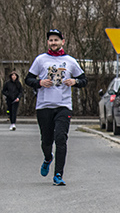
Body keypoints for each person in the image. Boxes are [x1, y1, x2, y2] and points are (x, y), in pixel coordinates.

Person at [24, 29, 87, 186]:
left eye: (56, 40)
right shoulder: (41, 60)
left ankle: (58, 174)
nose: (53, 43)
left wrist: (75, 82)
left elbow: (83, 79)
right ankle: (47, 158)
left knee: (61, 138)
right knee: (46, 140)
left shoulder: (71, 61)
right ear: (48, 43)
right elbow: (28, 79)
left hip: (63, 105)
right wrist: (39, 82)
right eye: (51, 40)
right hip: (44, 105)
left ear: (62, 42)